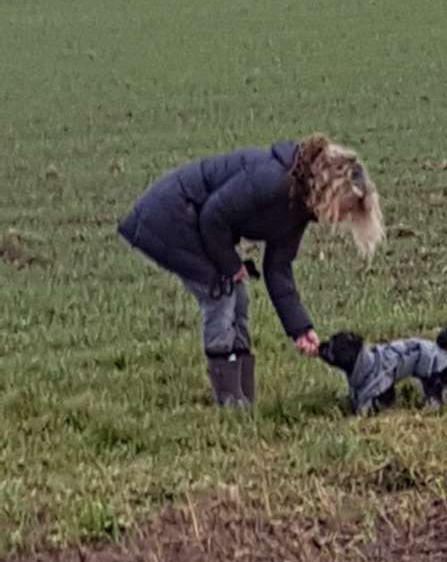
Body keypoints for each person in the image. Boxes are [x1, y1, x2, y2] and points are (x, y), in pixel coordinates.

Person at [117, 134, 385, 407]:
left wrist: (300, 328)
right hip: (170, 218)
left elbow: (278, 267)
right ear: (331, 189)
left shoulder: (299, 204)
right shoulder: (272, 181)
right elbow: (213, 216)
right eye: (346, 210)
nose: (341, 219)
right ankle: (230, 402)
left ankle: (243, 397)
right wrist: (231, 267)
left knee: (239, 297)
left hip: (198, 224)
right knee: (220, 295)